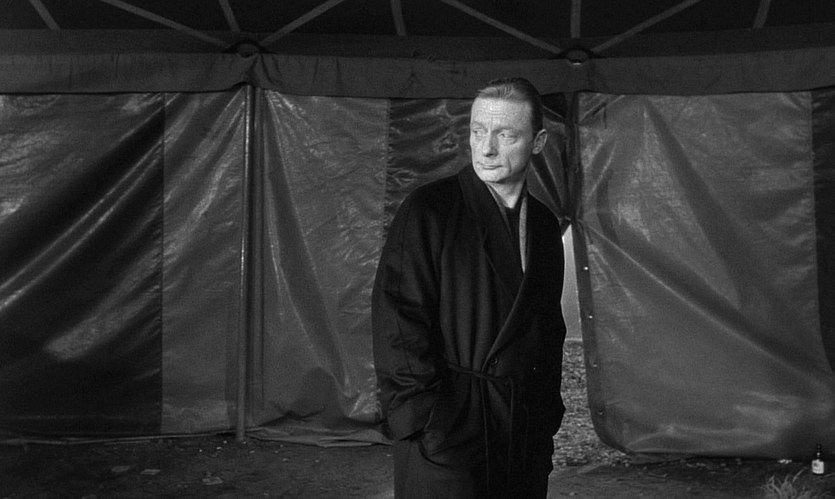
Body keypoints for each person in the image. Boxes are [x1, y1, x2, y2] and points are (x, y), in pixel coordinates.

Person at [372, 77, 567, 498]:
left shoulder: (544, 227)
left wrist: (546, 417)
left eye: (505, 135)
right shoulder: (430, 210)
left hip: (521, 433)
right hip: (449, 434)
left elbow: (549, 330)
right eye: (478, 131)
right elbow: (398, 322)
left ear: (538, 142)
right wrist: (426, 421)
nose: (486, 149)